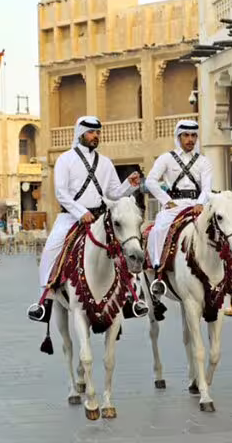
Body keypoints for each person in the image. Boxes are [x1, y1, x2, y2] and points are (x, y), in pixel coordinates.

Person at [27, 116, 140, 322]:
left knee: (124, 246)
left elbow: (114, 193)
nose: (95, 136)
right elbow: (61, 193)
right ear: (80, 134)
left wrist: (129, 185)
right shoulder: (65, 159)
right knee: (51, 249)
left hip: (99, 217)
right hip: (70, 217)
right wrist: (81, 212)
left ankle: (131, 298)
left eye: (98, 132)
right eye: (91, 132)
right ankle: (45, 300)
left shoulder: (105, 162)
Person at [145, 120, 212, 292]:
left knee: (221, 229)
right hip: (174, 206)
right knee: (159, 229)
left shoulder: (203, 161)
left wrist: (200, 203)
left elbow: (207, 188)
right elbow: (151, 181)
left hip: (198, 205)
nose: (190, 139)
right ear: (178, 137)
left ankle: (226, 273)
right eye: (186, 136)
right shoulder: (166, 158)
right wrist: (167, 201)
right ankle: (158, 270)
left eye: (193, 136)